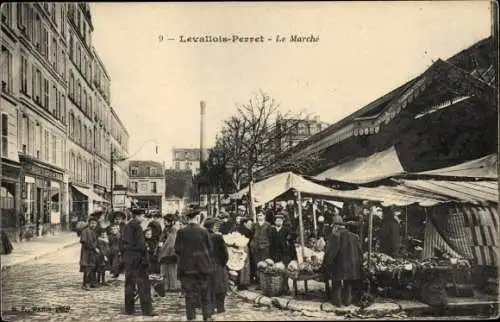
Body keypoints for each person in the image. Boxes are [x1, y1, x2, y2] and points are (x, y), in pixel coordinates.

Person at [174, 209, 215, 322]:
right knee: (205, 293)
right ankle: (207, 316)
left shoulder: (181, 232)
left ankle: (191, 318)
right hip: (203, 268)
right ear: (197, 218)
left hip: (187, 268)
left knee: (189, 294)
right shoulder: (204, 232)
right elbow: (211, 249)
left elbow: (177, 250)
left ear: (187, 219)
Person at [121, 208, 157, 316]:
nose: (143, 218)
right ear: (137, 216)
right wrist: (145, 248)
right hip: (138, 260)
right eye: (142, 216)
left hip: (129, 259)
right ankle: (147, 309)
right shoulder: (137, 227)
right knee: (143, 285)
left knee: (129, 284)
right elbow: (140, 245)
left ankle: (129, 309)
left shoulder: (127, 226)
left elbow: (124, 243)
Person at [321, 215, 362, 307]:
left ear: (335, 226)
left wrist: (326, 263)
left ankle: (337, 302)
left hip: (339, 264)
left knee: (337, 283)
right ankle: (347, 302)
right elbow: (360, 252)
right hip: (352, 265)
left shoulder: (335, 235)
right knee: (348, 284)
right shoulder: (354, 236)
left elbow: (331, 253)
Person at [204, 218, 229, 314]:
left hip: (205, 264)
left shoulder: (202, 237)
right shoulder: (218, 237)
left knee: (208, 286)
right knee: (220, 286)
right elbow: (224, 254)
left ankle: (209, 308)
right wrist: (223, 262)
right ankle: (220, 308)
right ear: (213, 226)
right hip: (217, 264)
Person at [270, 214, 297, 293]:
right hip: (275, 254)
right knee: (277, 271)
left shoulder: (286, 229)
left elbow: (294, 236)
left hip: (284, 254)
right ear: (275, 222)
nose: (278, 222)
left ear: (282, 222)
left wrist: (289, 238)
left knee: (285, 271)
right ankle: (278, 288)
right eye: (277, 220)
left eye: (280, 220)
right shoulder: (272, 230)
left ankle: (286, 288)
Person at [158, 214, 181, 292]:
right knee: (166, 269)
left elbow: (172, 242)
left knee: (171, 269)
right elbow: (162, 238)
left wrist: (165, 250)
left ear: (171, 222)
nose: (164, 222)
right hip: (166, 251)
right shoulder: (166, 229)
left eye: (166, 221)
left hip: (170, 251)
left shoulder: (173, 230)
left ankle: (172, 286)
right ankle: (167, 285)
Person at [249, 211, 272, 286]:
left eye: (261, 215)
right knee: (257, 264)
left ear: (264, 216)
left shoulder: (268, 225)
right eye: (258, 216)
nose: (259, 217)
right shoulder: (254, 225)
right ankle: (259, 282)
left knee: (264, 264)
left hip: (265, 247)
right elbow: (251, 235)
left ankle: (265, 282)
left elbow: (270, 236)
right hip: (255, 248)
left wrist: (267, 244)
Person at [79, 216, 100, 290]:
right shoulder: (85, 231)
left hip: (93, 253)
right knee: (87, 268)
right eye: (92, 223)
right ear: (88, 223)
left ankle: (92, 282)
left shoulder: (93, 232)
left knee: (93, 267)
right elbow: (84, 243)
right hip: (87, 252)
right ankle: (85, 284)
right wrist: (94, 249)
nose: (93, 225)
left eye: (95, 223)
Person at [236, 217, 253, 290]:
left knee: (238, 264)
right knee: (245, 265)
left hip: (237, 248)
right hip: (244, 247)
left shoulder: (236, 229)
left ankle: (238, 282)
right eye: (248, 223)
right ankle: (244, 283)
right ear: (244, 223)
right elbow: (251, 238)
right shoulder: (247, 230)